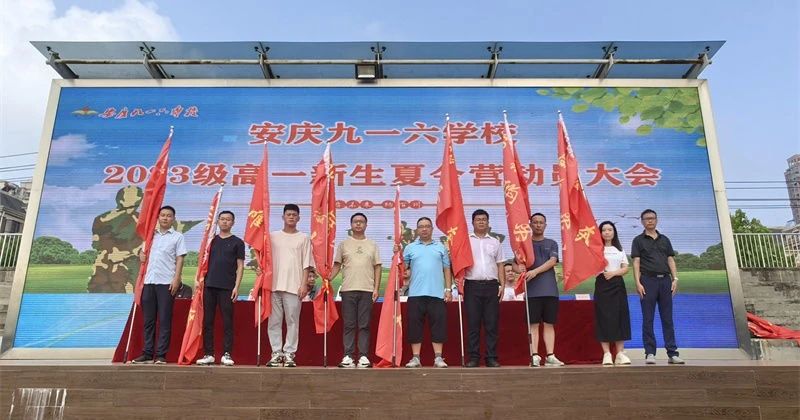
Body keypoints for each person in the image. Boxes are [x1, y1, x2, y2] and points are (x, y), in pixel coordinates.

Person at [131, 205, 187, 364]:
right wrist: (141, 254)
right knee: (148, 320)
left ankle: (161, 354)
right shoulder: (150, 236)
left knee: (164, 319)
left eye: (169, 216)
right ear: (158, 217)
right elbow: (143, 254)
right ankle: (147, 353)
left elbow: (180, 259)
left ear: (173, 219)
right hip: (149, 282)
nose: (165, 218)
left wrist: (177, 278)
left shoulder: (177, 237)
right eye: (162, 215)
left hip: (166, 283)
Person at [631, 209, 684, 365]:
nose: (650, 221)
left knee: (667, 318)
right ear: (642, 221)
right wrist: (638, 282)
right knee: (648, 319)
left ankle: (672, 353)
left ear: (656, 220)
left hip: (665, 281)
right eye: (647, 218)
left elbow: (670, 260)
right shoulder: (638, 240)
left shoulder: (664, 239)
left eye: (652, 218)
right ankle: (650, 353)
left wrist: (675, 279)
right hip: (647, 281)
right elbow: (636, 262)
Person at [331, 213, 382, 369]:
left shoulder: (372, 245)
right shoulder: (343, 244)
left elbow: (377, 267)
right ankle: (348, 356)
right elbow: (337, 265)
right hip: (348, 290)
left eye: (361, 222)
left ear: (366, 225)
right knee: (349, 324)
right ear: (351, 224)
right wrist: (328, 278)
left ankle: (363, 356)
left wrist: (376, 288)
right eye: (355, 221)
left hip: (367, 290)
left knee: (364, 325)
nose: (358, 224)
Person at [266, 204, 313, 368]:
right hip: (274, 285)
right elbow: (264, 259)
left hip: (294, 286)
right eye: (288, 214)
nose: (291, 217)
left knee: (292, 321)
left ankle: (289, 353)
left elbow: (307, 264)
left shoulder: (304, 238)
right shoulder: (272, 236)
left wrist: (304, 284)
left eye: (294, 215)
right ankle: (276, 353)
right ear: (283, 217)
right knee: (274, 321)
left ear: (298, 218)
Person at [402, 217, 453, 368]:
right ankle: (415, 358)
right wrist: (397, 255)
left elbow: (447, 269)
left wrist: (448, 289)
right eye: (421, 226)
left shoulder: (440, 247)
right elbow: (402, 268)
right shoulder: (410, 248)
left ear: (432, 229)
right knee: (415, 326)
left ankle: (438, 358)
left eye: (427, 226)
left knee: (438, 325)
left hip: (436, 293)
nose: (424, 229)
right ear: (417, 230)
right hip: (415, 293)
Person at [196, 211, 245, 366]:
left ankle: (226, 354)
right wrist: (198, 280)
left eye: (228, 219)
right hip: (209, 286)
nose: (225, 222)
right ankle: (209, 354)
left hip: (227, 287)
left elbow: (240, 266)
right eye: (222, 219)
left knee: (227, 321)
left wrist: (236, 286)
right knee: (207, 321)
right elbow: (202, 261)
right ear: (217, 221)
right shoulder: (210, 241)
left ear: (233, 223)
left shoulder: (238, 242)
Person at [519, 213, 564, 367]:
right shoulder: (524, 245)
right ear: (530, 225)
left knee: (549, 323)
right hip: (532, 292)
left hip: (550, 290)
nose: (538, 225)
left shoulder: (552, 243)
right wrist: (520, 268)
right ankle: (535, 355)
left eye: (541, 222)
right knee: (533, 325)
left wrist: (535, 271)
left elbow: (552, 261)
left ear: (545, 225)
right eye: (535, 222)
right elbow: (516, 265)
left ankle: (550, 355)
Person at [463, 209, 504, 368]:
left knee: (491, 324)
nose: (481, 222)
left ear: (488, 222)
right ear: (472, 222)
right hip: (472, 286)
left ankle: (491, 357)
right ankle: (473, 358)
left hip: (491, 286)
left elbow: (500, 265)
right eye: (478, 219)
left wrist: (502, 284)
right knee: (473, 324)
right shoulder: (465, 241)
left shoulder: (495, 242)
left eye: (484, 219)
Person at [594, 221, 632, 366]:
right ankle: (607, 354)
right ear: (600, 233)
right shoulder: (597, 249)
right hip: (602, 284)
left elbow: (625, 268)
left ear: (614, 232)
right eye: (604, 230)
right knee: (603, 317)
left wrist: (613, 273)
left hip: (617, 284)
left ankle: (620, 353)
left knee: (619, 316)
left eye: (610, 229)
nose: (607, 232)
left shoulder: (619, 249)